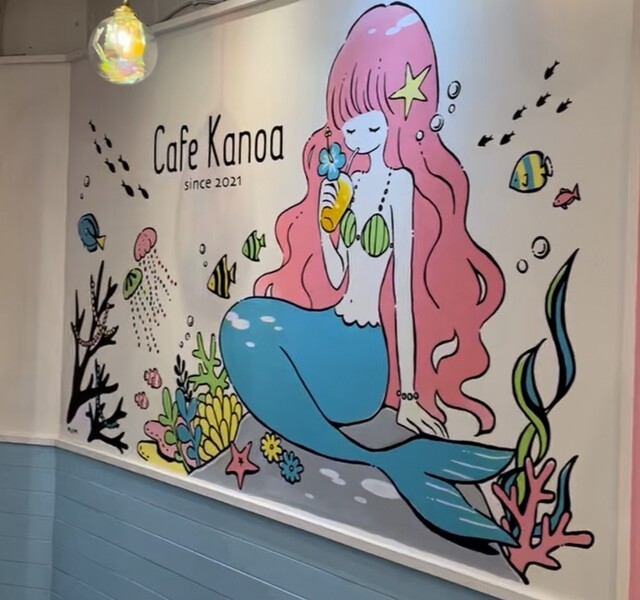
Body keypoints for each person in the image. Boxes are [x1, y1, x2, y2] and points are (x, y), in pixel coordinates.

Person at [220, 2, 515, 551]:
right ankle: (380, 459)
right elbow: (337, 275)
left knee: (254, 333)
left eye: (370, 124)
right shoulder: (348, 186)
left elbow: (399, 295)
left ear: (395, 119)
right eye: (349, 124)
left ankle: (376, 457)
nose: (357, 135)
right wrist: (326, 227)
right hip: (331, 325)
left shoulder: (400, 185)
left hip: (361, 359)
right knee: (241, 323)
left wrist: (407, 395)